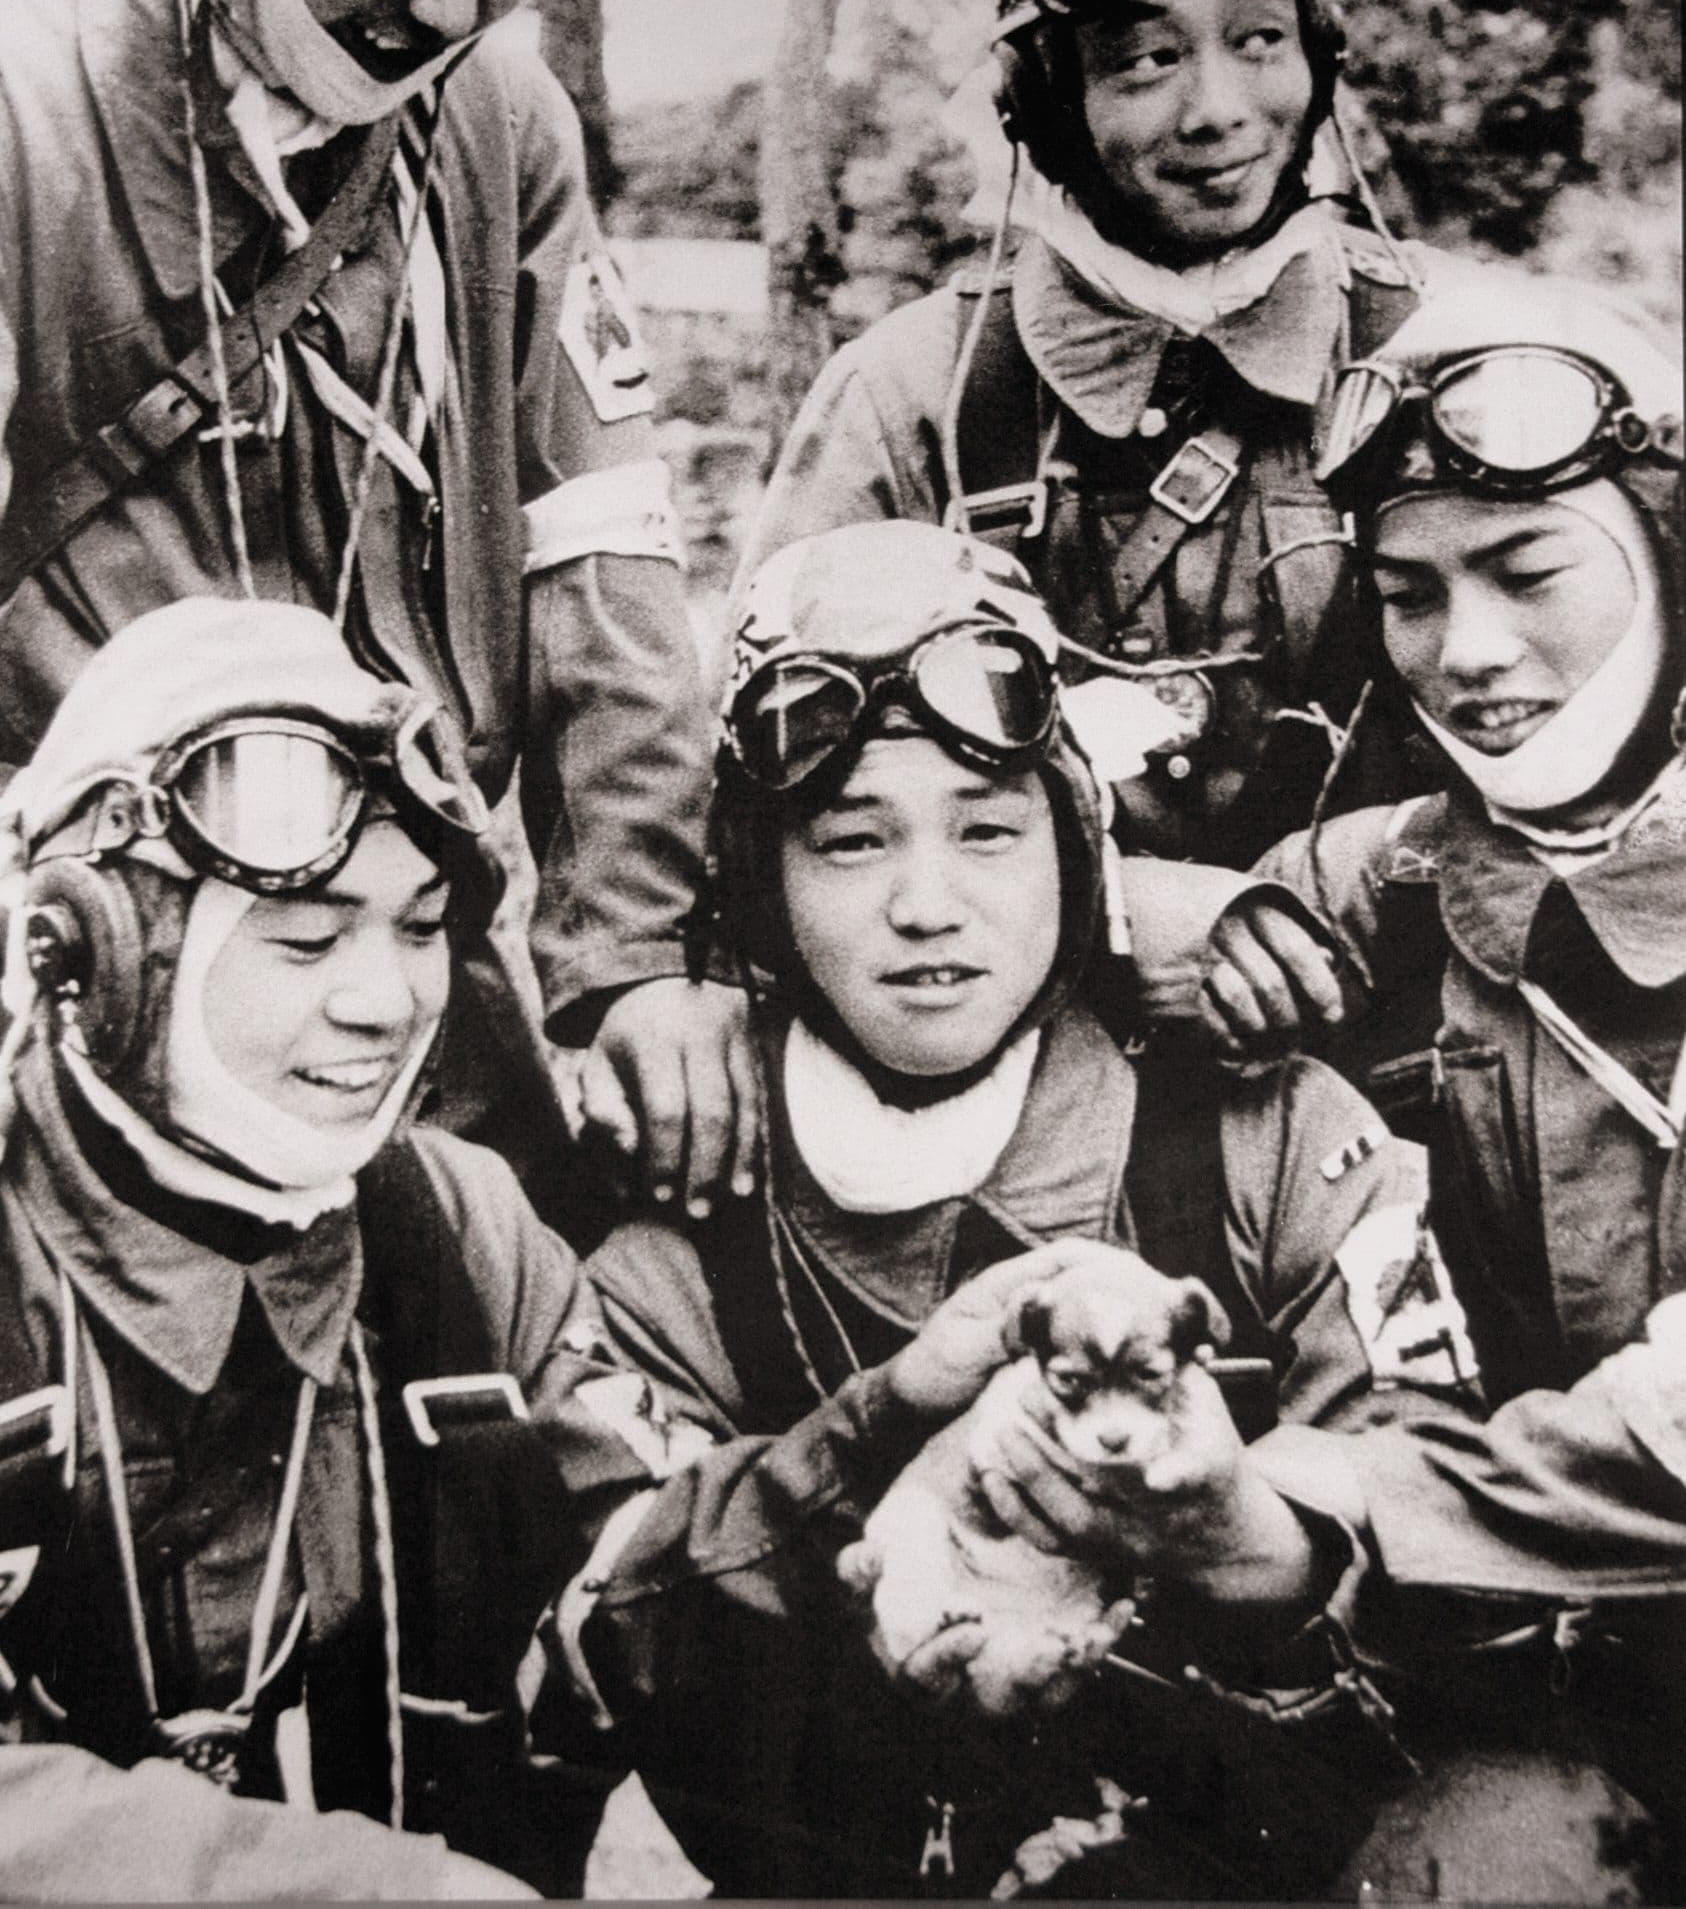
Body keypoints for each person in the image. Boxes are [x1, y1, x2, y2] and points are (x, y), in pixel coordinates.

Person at [0, 593, 1149, 1899]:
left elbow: (628, 1585)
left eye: (422, 927)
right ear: (90, 950)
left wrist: (883, 1465)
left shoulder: (456, 1231)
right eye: (308, 938)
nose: (382, 1000)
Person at [560, 520, 1481, 1898]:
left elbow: (1452, 1535)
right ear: (757, 886)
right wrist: (863, 1446)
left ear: (1076, 851)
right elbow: (600, 1633)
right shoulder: (678, 1216)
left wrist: (1253, 1541)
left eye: (988, 831)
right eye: (850, 840)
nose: (925, 904)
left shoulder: (1273, 1139)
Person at [0, 0, 753, 1234]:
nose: (457, 0)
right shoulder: (21, 104)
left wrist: (633, 954)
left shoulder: (502, 122)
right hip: (95, 990)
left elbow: (601, 549)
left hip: (413, 987)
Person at [1069, 281, 1686, 1894]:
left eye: (1528, 569)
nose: (1470, 650)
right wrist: (1130, 908)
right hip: (1534, 1717)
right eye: (1409, 592)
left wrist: (1317, 1495)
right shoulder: (1370, 887)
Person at [744, 0, 1463, 882]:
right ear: (1044, 107)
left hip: (1402, 999)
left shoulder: (1450, 347)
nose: (1217, 108)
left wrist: (1366, 868)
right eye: (1146, 60)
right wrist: (1114, 928)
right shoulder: (912, 396)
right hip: (1015, 1014)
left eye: (1260, 39)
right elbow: (782, 790)